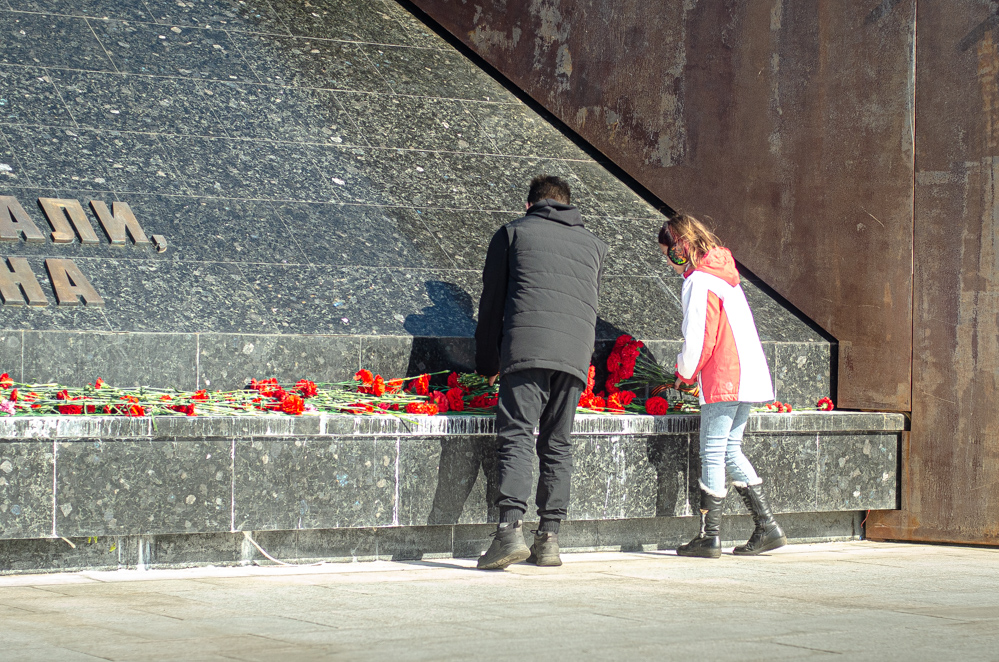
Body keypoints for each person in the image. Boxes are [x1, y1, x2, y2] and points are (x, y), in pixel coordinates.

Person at [474, 174, 607, 570]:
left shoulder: (514, 233)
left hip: (528, 347)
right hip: (575, 354)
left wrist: (487, 363)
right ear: (567, 204)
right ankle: (549, 540)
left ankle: (508, 532)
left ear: (530, 205)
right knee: (558, 442)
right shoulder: (594, 245)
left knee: (516, 434)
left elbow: (492, 302)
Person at [658, 213, 786, 558]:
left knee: (713, 451)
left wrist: (683, 373)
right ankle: (767, 526)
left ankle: (709, 536)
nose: (670, 264)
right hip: (746, 375)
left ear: (681, 248)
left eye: (668, 254)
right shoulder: (724, 277)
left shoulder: (700, 281)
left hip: (724, 376)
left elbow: (701, 338)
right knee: (730, 450)